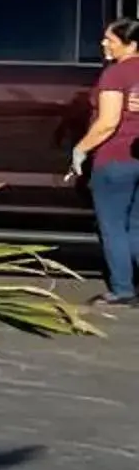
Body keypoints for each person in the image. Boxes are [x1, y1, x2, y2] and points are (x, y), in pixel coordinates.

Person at [69, 17, 139, 304]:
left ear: (132, 44)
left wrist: (80, 150)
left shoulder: (116, 75)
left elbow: (108, 123)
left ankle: (123, 289)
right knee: (135, 226)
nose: (104, 44)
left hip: (115, 158)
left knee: (112, 226)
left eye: (110, 39)